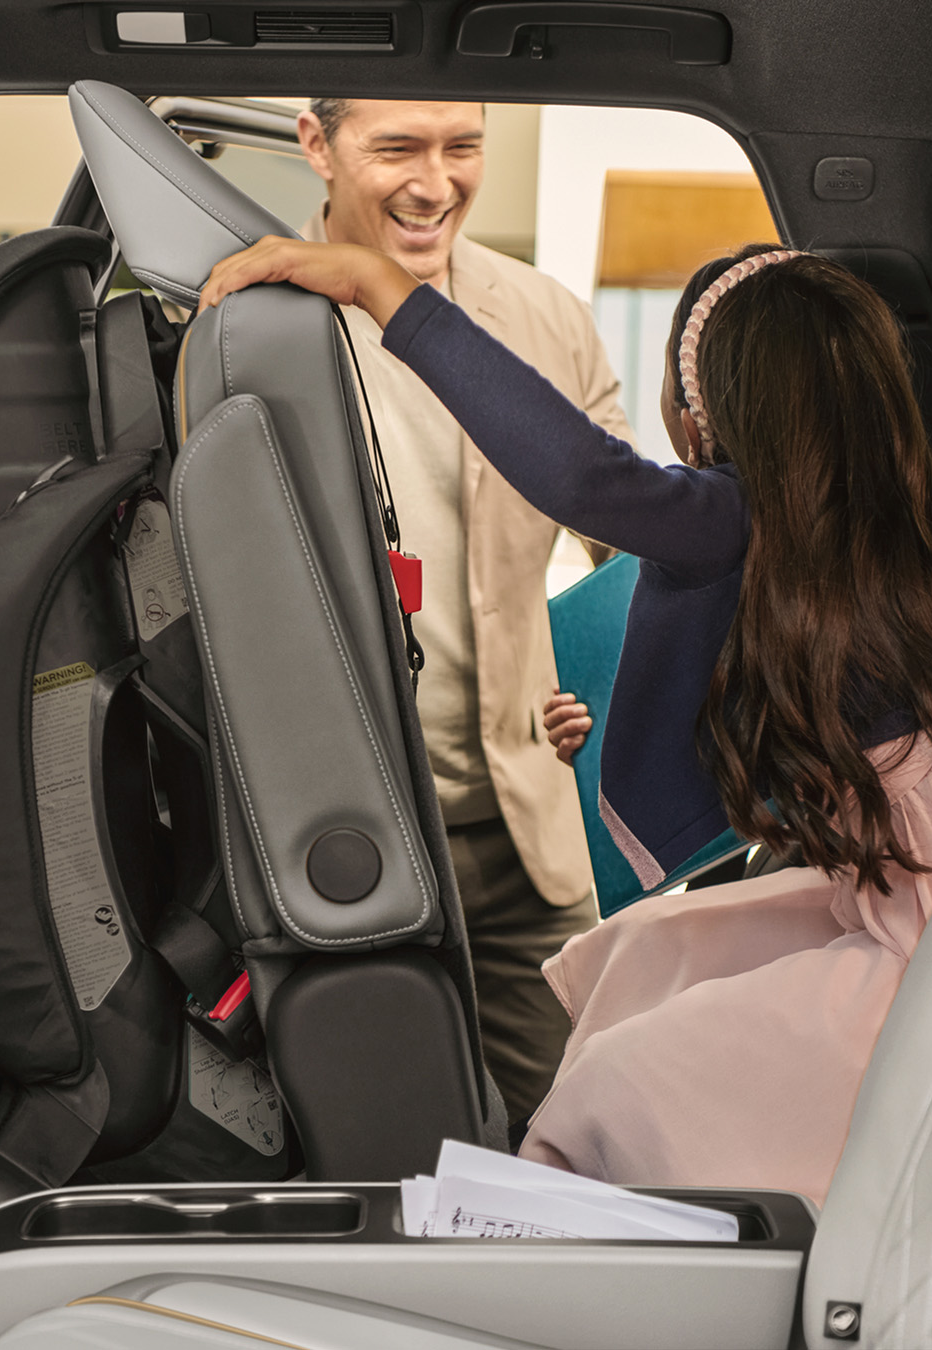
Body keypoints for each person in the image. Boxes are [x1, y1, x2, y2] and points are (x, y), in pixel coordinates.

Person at [200, 237, 932, 1206]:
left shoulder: (737, 521)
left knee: (629, 1081)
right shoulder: (925, 535)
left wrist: (380, 291)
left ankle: (539, 1248)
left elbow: (583, 477)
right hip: (898, 889)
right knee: (648, 959)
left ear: (705, 421)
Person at [290, 98, 634, 1124]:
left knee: (590, 1128)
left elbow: (638, 546)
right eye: (396, 148)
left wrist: (600, 696)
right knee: (386, 1142)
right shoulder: (259, 325)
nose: (434, 183)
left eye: (462, 147)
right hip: (348, 840)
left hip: (527, 831)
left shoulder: (545, 318)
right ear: (317, 143)